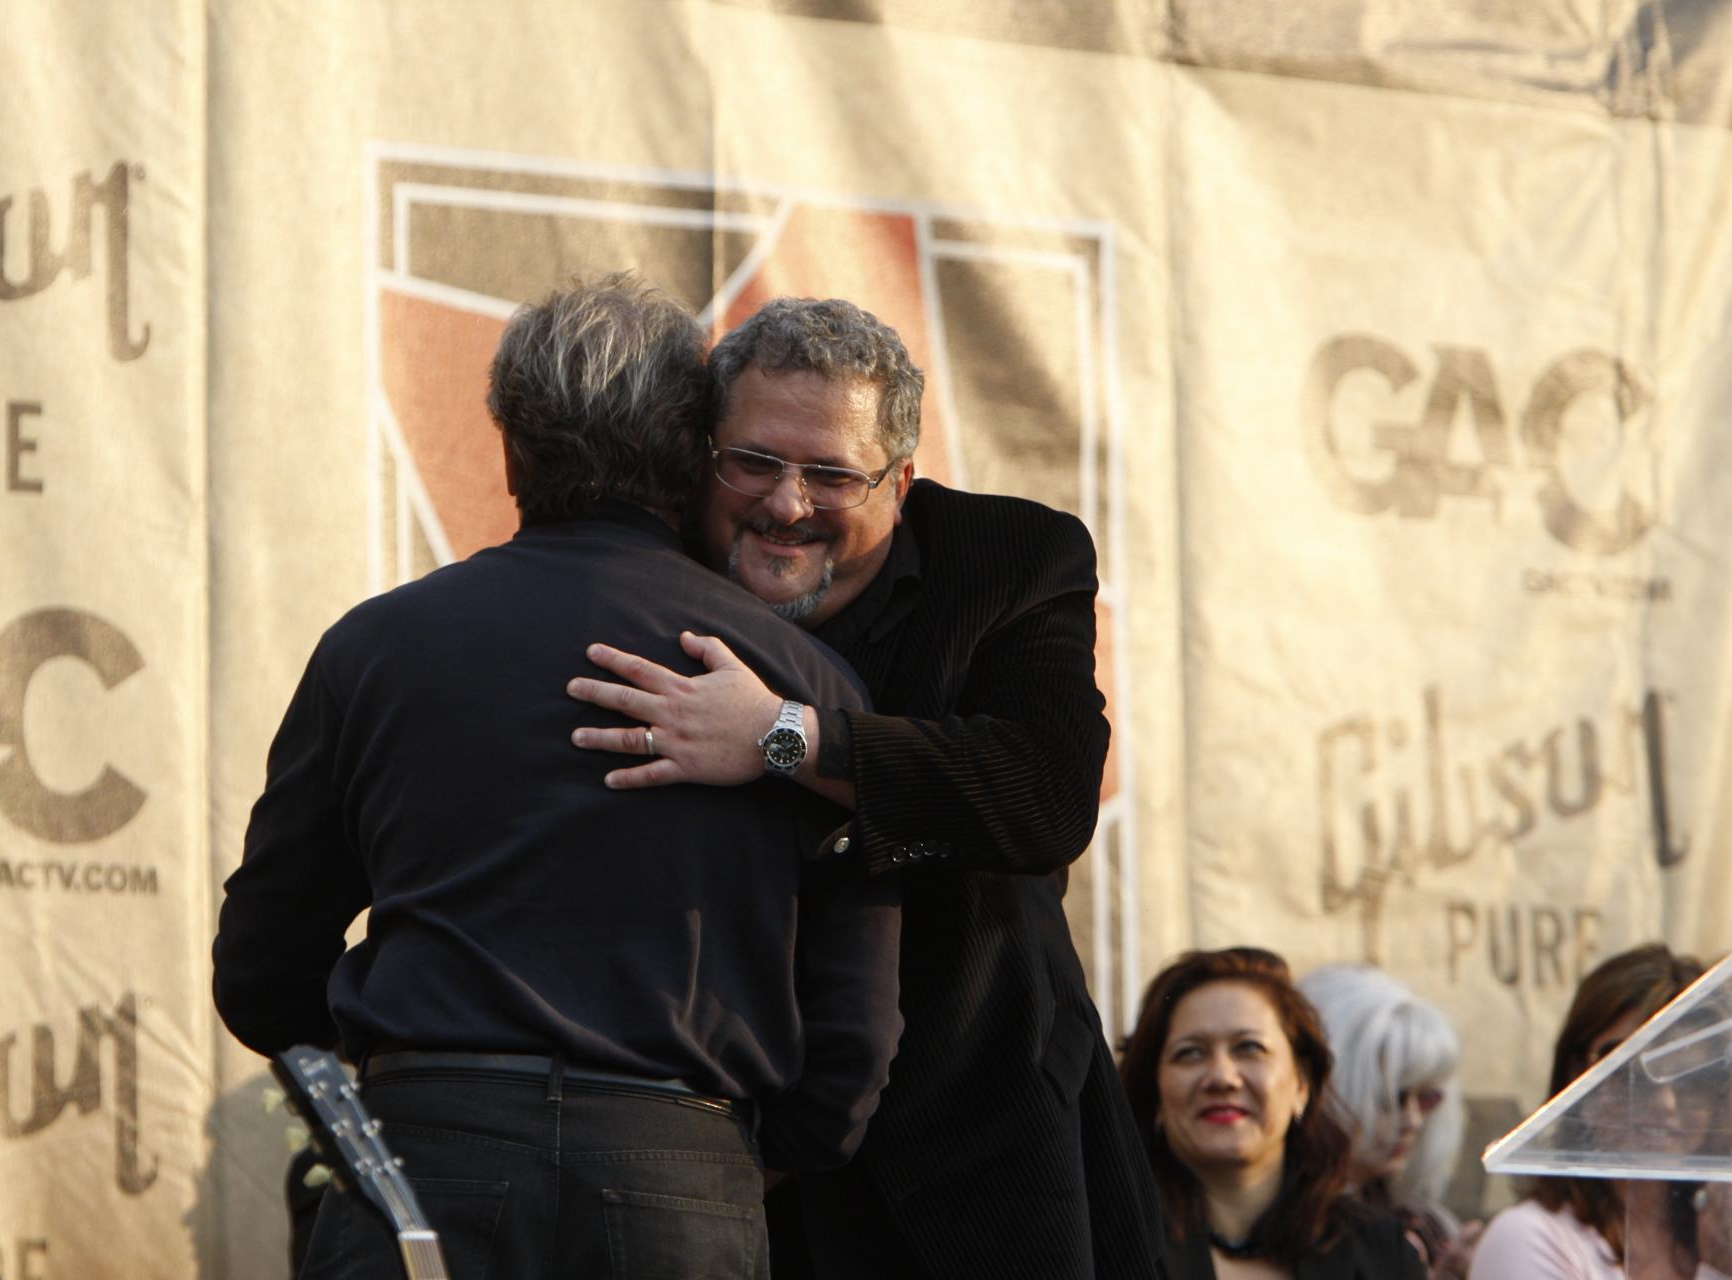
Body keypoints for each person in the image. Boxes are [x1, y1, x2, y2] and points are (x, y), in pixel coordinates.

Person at [213, 275, 902, 1279]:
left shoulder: (373, 649)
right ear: (689, 449)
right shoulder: (802, 689)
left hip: (420, 1162)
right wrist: (715, 1162)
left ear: (509, 444)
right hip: (685, 1178)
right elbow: (856, 1027)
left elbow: (261, 970)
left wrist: (415, 1086)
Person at [564, 297, 1166, 1278]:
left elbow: (1046, 794)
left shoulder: (1008, 563)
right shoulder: (641, 571)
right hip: (713, 1166)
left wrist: (781, 737)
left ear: (901, 479)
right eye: (752, 461)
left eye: (832, 473)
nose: (785, 503)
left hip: (973, 1149)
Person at [1469, 943, 1732, 1280]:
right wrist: (1719, 1272)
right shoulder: (1530, 1236)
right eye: (1632, 1074)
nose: (1665, 1103)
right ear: (1576, 1077)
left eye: (1692, 1080)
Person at [1118, 946, 1427, 1280]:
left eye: (1249, 1048)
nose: (1222, 1077)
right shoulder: (1104, 1249)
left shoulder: (1382, 1255)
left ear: (1301, 1084)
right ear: (1155, 1091)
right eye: (1190, 1053)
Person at [1298, 965, 1480, 1278]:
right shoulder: (1284, 1229)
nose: (1413, 1121)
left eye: (1427, 1099)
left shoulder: (1429, 1229)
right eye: (1392, 1097)